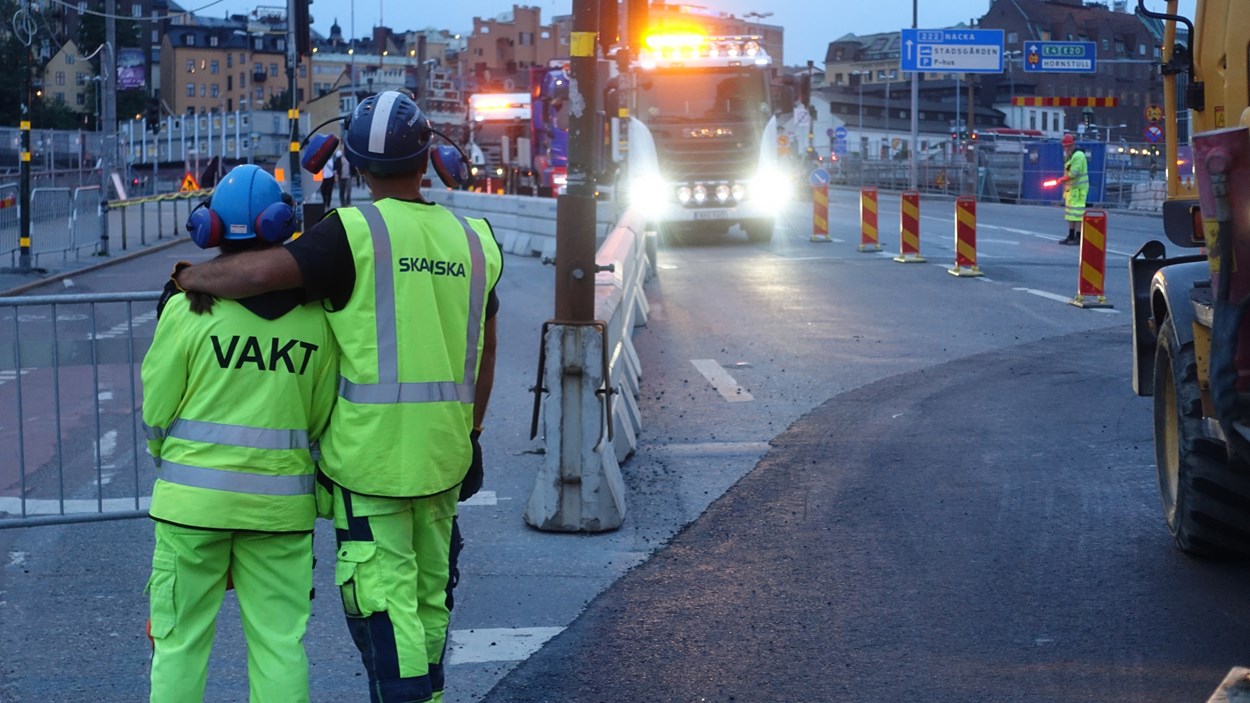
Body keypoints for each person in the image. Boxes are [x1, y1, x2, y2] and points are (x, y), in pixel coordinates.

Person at [173, 90, 504, 703]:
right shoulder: (476, 237)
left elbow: (258, 275)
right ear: (429, 157)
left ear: (351, 163)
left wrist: (189, 277)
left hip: (371, 463)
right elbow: (485, 352)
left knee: (383, 604)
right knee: (431, 598)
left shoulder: (351, 233)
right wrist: (474, 436)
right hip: (446, 456)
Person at [141, 164, 339, 702]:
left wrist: (169, 454)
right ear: (283, 227)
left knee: (179, 646)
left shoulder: (186, 309)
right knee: (279, 645)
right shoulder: (316, 318)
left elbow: (157, 406)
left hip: (191, 507)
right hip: (279, 511)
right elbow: (319, 415)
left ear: (209, 230)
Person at [1056, 133, 1088, 245]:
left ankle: (1078, 237)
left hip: (1078, 189)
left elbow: (1074, 172)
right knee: (1071, 213)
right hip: (1072, 189)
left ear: (1072, 145)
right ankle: (1071, 235)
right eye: (1065, 146)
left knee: (1078, 214)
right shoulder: (1071, 155)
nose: (1066, 148)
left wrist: (1062, 179)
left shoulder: (1078, 155)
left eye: (1068, 146)